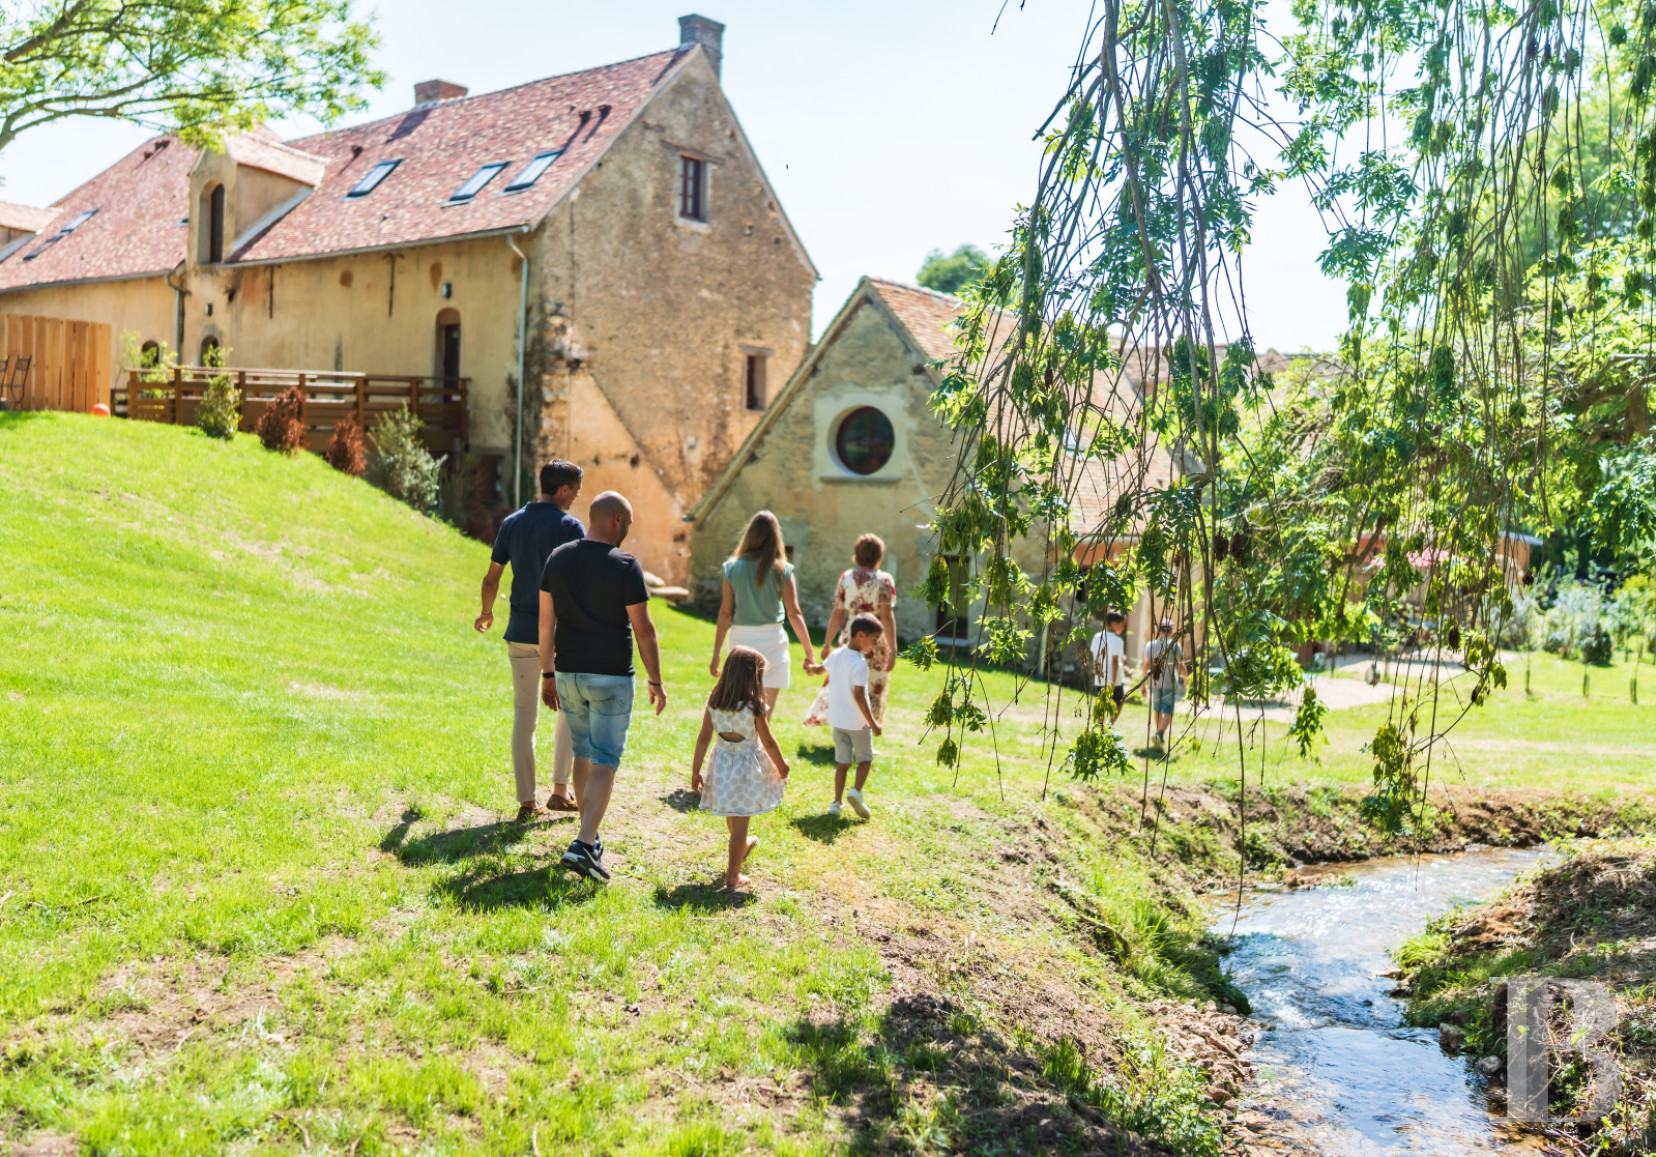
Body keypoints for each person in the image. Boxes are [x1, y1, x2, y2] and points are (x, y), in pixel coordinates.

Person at [538, 491, 667, 883]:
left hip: (570, 673)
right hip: (610, 676)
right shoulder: (625, 564)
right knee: (605, 758)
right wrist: (656, 679)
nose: (627, 531)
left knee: (583, 753)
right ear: (614, 520)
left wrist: (548, 673)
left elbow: (545, 623)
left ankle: (587, 839)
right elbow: (644, 629)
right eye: (626, 523)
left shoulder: (558, 558)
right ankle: (583, 842)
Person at [475, 459, 584, 821]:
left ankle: (526, 801)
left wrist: (486, 612)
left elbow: (492, 577)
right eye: (577, 489)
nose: (578, 495)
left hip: (521, 632)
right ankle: (559, 790)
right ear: (564, 490)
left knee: (525, 716)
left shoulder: (512, 523)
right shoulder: (571, 526)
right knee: (570, 710)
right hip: (560, 635)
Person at [691, 646, 790, 888]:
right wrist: (782, 765)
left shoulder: (714, 702)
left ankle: (742, 844)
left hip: (723, 765)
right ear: (751, 677)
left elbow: (704, 737)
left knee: (733, 814)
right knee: (741, 820)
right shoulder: (754, 705)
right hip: (745, 768)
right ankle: (733, 875)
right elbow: (767, 740)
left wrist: (695, 770)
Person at [710, 512, 817, 716]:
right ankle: (760, 748)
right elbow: (794, 614)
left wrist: (716, 655)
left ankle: (739, 748)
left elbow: (725, 613)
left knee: (740, 711)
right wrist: (809, 652)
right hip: (772, 642)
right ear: (776, 537)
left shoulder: (731, 568)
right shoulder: (782, 569)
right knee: (763, 717)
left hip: (740, 641)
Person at [802, 534, 898, 729]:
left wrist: (828, 643)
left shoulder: (846, 577)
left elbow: (837, 613)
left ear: (857, 554)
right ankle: (866, 733)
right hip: (875, 638)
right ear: (878, 556)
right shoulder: (885, 580)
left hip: (851, 635)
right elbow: (886, 617)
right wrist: (894, 650)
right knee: (872, 685)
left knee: (846, 681)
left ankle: (844, 727)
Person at [817, 614, 885, 819]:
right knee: (865, 759)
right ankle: (855, 792)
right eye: (874, 639)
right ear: (861, 635)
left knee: (842, 763)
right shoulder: (860, 663)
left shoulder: (837, 654)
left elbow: (821, 669)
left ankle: (836, 804)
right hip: (858, 723)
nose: (875, 644)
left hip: (838, 722)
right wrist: (873, 722)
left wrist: (811, 668)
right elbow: (859, 696)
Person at [1141, 618, 1189, 750]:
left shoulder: (1150, 645)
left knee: (1157, 709)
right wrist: (1186, 679)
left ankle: (1158, 735)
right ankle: (1160, 734)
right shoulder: (1175, 645)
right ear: (1172, 631)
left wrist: (1142, 684)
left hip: (1154, 682)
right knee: (1167, 709)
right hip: (1169, 682)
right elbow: (1180, 665)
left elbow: (1145, 666)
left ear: (1157, 630)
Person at [1089, 610, 1128, 722]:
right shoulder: (1117, 640)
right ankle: (1110, 725)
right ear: (1114, 624)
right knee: (1119, 701)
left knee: (1101, 702)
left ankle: (1099, 726)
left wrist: (1097, 674)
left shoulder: (1097, 636)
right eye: (1122, 625)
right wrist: (1113, 682)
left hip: (1100, 676)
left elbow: (1095, 657)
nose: (1123, 627)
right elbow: (1114, 661)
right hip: (1114, 678)